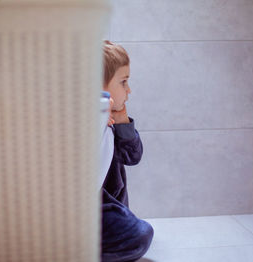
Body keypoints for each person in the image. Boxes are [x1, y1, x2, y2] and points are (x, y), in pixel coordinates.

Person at [100, 40, 154, 262]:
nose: (129, 89)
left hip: (111, 207)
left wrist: (121, 118)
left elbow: (133, 156)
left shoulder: (112, 120)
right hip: (90, 208)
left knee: (140, 231)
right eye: (123, 82)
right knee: (141, 234)